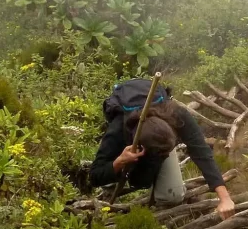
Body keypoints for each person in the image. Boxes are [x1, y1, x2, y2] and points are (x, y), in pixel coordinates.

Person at [90, 81, 236, 220]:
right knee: (131, 179)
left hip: (157, 141)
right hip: (129, 149)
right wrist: (119, 161)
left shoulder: (177, 115)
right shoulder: (118, 131)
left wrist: (225, 198)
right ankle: (116, 182)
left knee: (172, 196)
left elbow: (201, 152)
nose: (166, 155)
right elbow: (95, 176)